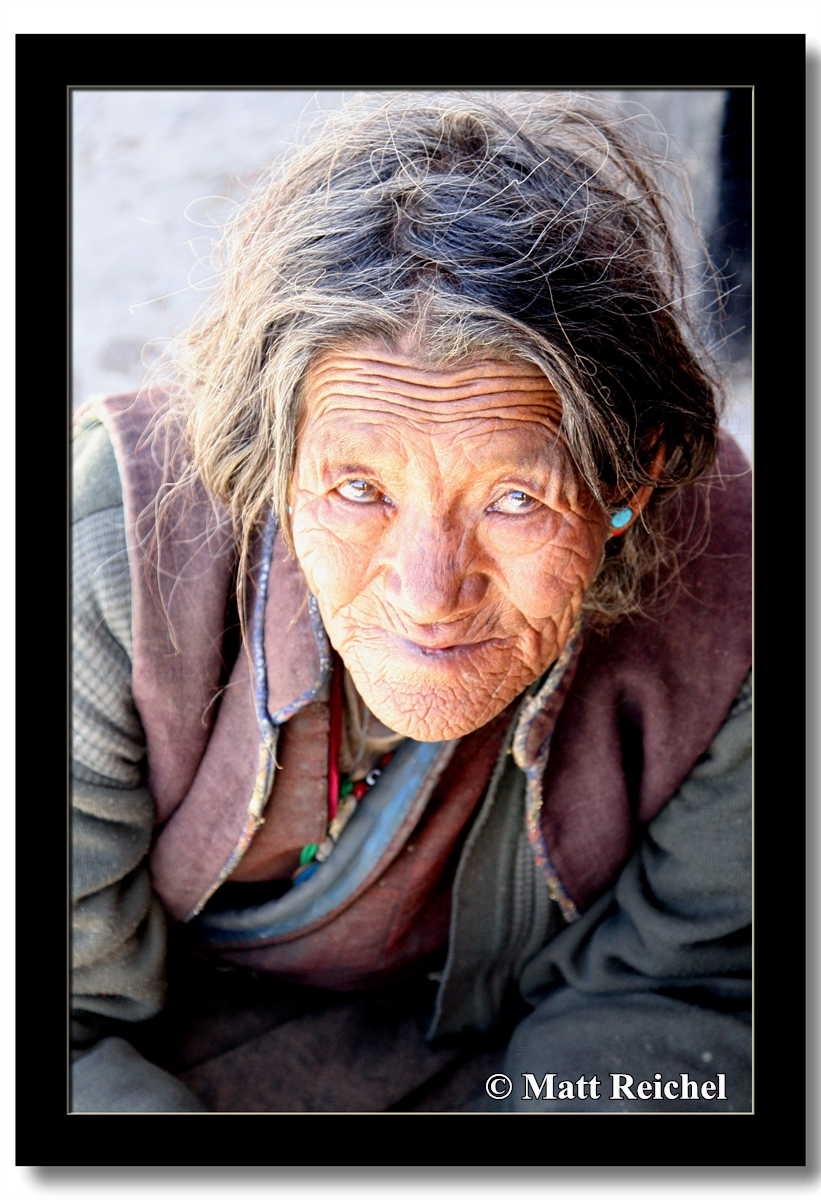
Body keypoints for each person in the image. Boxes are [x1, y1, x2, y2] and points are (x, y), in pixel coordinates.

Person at [71, 91, 751, 1113]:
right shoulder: (108, 556)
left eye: (514, 500)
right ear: (272, 458)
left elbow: (682, 1002)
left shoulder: (735, 605)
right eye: (357, 490)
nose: (429, 593)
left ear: (630, 481)